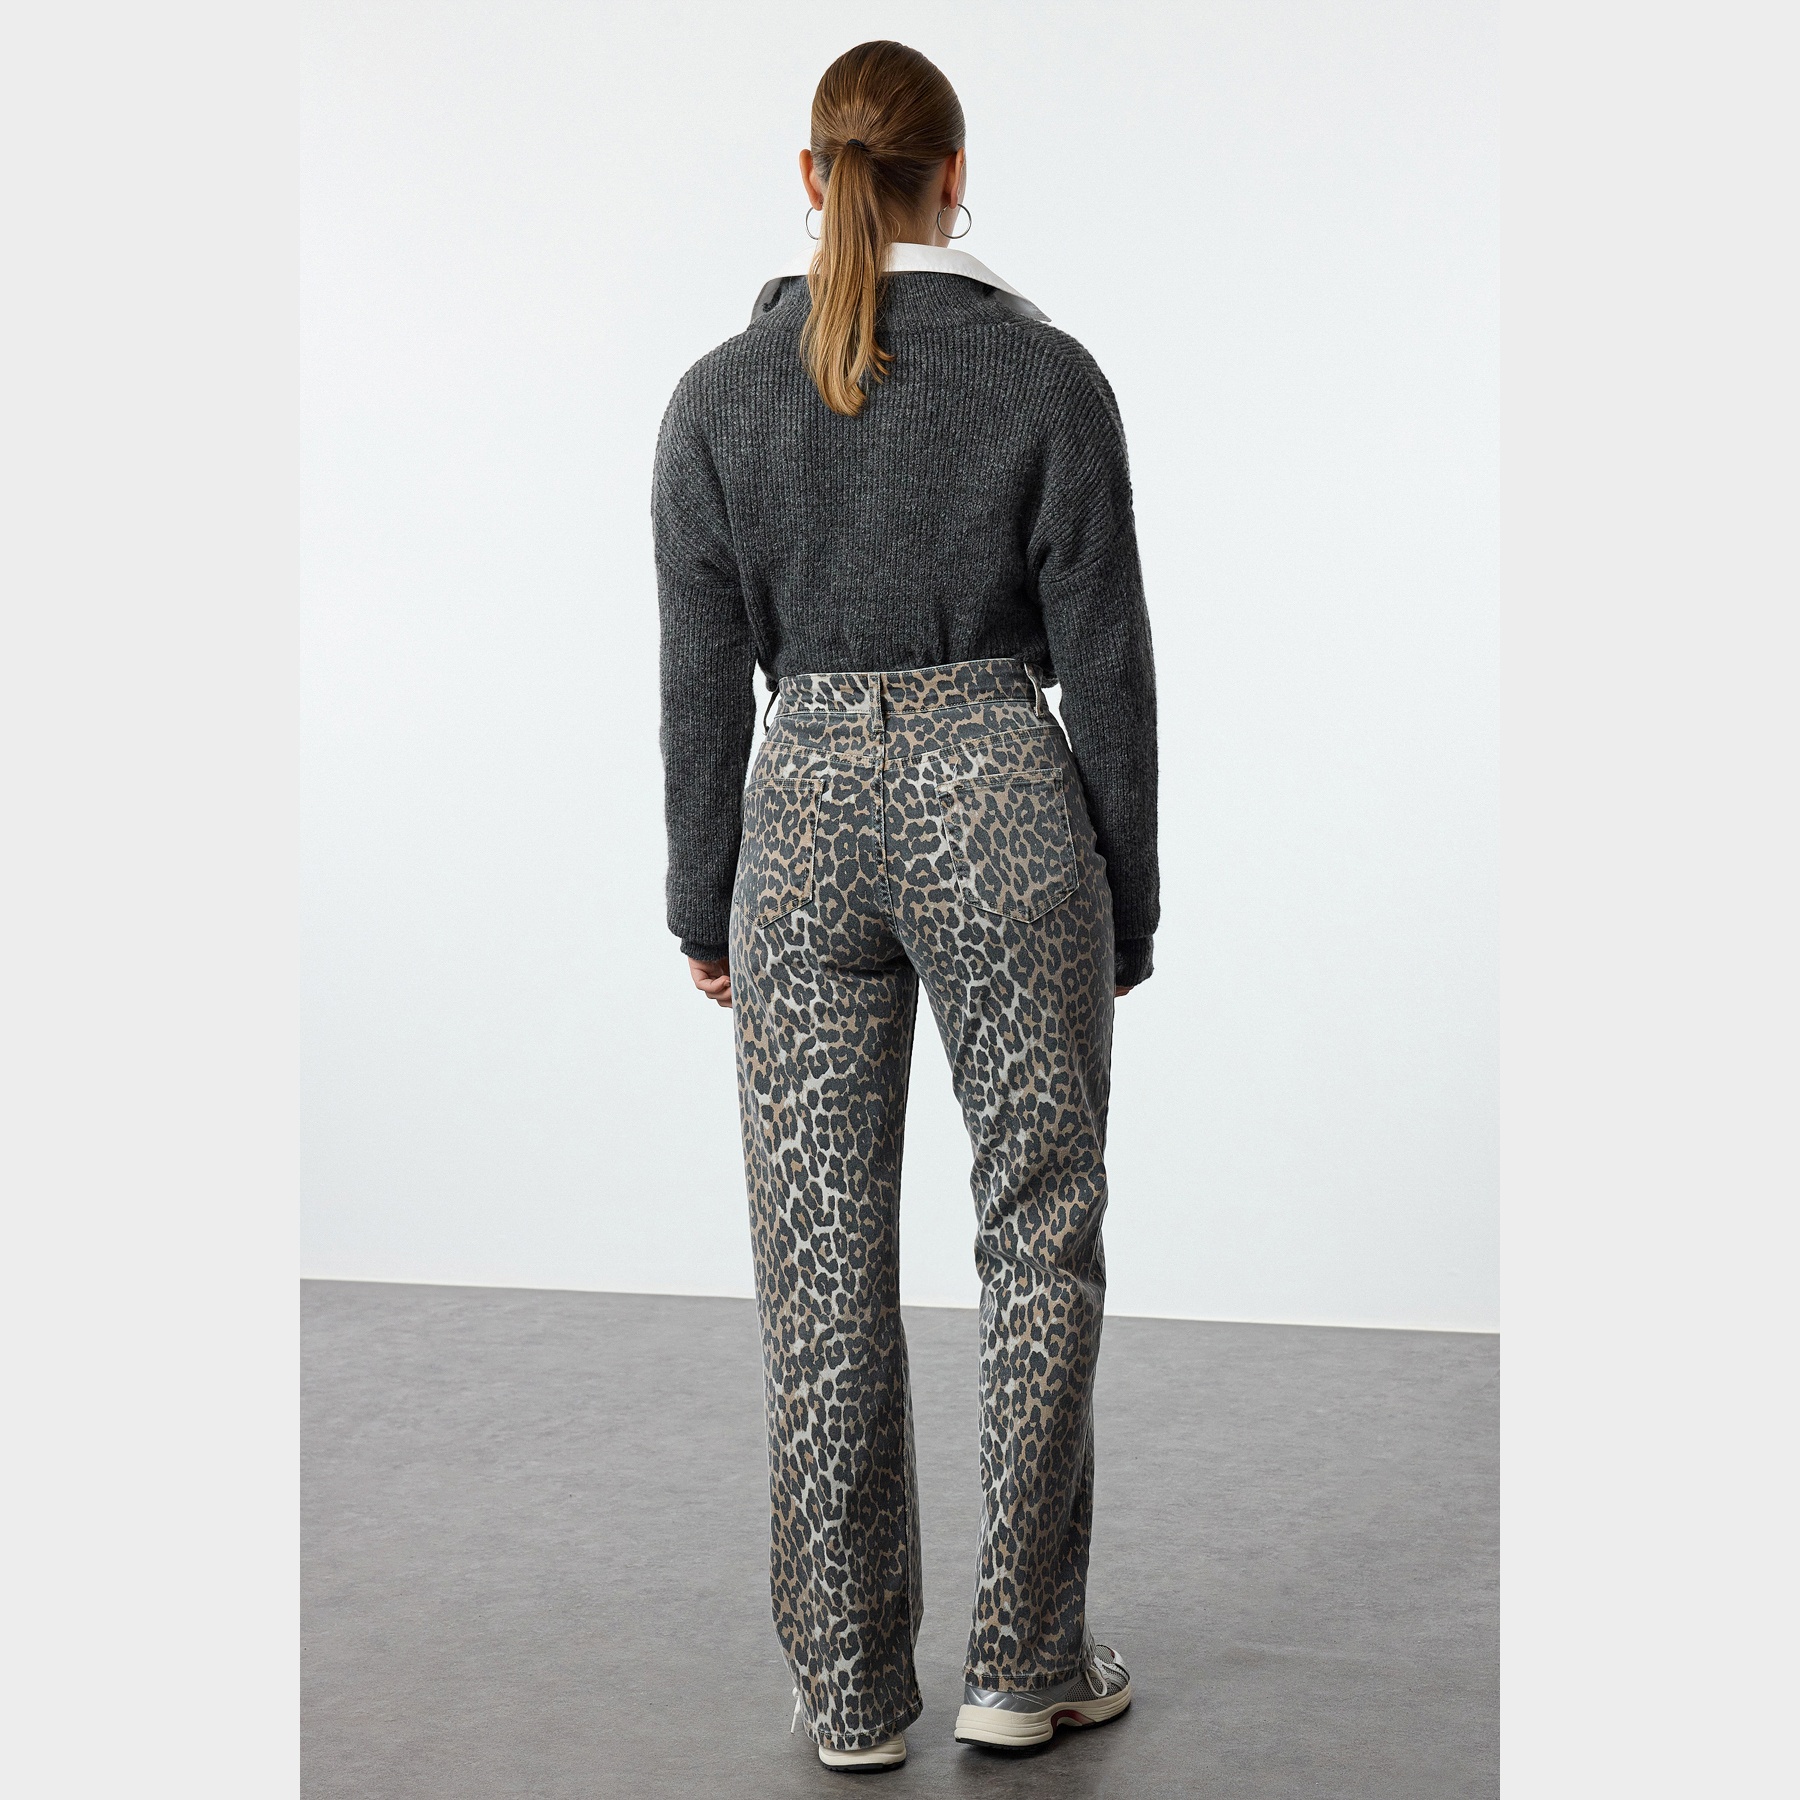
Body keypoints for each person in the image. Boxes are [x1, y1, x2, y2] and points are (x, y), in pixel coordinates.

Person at [653, 39, 1157, 1772]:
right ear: (955, 175)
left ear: (813, 179)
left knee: (818, 1260)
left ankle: (853, 1691)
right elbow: (1110, 667)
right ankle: (1025, 1660)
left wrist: (701, 901)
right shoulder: (1048, 379)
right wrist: (1126, 897)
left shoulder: (717, 398)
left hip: (799, 817)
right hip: (999, 795)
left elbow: (699, 684)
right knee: (1040, 1225)